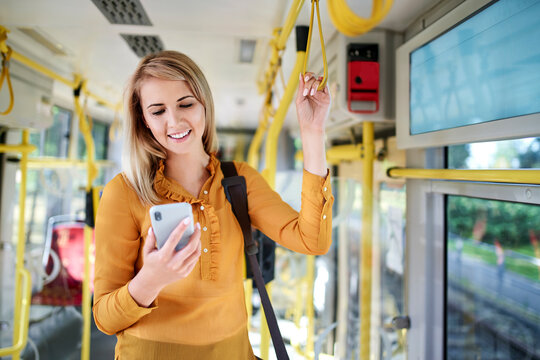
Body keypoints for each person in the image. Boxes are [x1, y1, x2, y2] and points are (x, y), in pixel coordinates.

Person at [92, 50, 334, 359]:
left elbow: (313, 240)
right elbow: (105, 319)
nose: (175, 120)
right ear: (145, 121)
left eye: (186, 104)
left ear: (205, 104)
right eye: (158, 111)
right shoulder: (124, 192)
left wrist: (313, 133)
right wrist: (151, 280)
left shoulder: (239, 180)